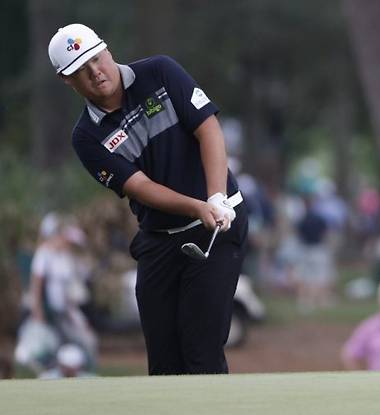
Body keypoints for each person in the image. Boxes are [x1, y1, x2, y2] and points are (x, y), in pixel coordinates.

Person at [48, 23, 248, 375]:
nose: (95, 72)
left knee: (201, 353)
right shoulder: (87, 137)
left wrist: (215, 197)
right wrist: (196, 206)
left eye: (96, 59)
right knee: (163, 363)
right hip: (160, 239)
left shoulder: (160, 72)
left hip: (217, 227)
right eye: (81, 70)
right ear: (68, 80)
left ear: (107, 50)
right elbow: (139, 187)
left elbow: (209, 130)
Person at [29, 213, 97, 371]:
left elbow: (82, 276)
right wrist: (37, 312)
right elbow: (36, 285)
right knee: (54, 346)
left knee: (87, 340)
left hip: (68, 309)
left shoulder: (67, 256)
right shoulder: (44, 253)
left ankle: (85, 373)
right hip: (52, 310)